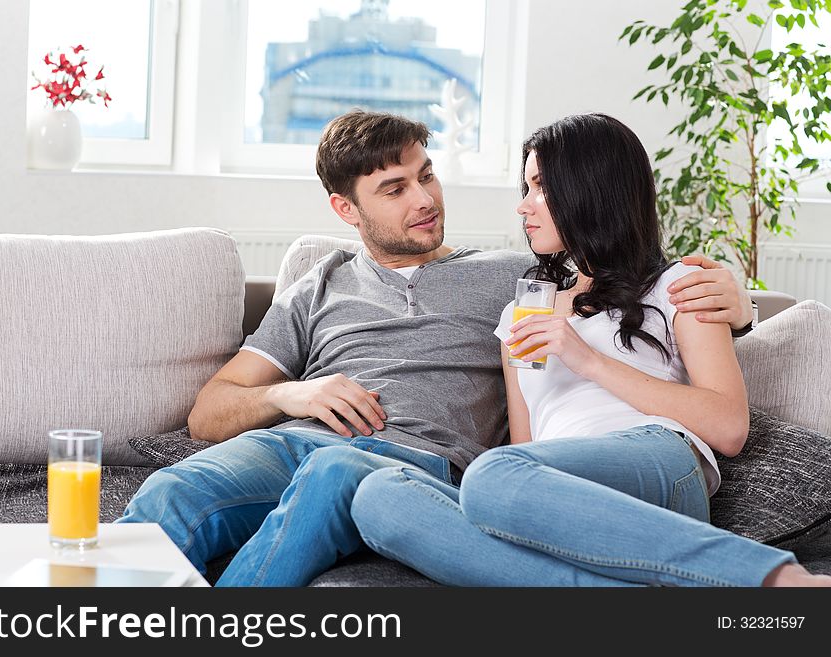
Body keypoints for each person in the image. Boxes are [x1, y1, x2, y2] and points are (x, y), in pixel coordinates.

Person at [117, 111, 756, 587]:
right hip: (294, 440)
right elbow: (209, 412)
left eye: (426, 176)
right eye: (394, 190)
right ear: (346, 208)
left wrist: (741, 302)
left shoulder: (518, 279)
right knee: (169, 495)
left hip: (418, 461)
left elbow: (614, 276)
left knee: (335, 475)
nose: (424, 200)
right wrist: (294, 392)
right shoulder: (316, 288)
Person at [350, 113, 831, 587]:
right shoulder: (521, 314)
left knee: (491, 474)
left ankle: (775, 579)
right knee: (379, 497)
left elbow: (728, 428)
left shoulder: (680, 285)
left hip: (658, 460)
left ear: (590, 189)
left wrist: (588, 359)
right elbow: (528, 451)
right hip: (558, 490)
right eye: (526, 188)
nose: (524, 206)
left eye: (540, 187)